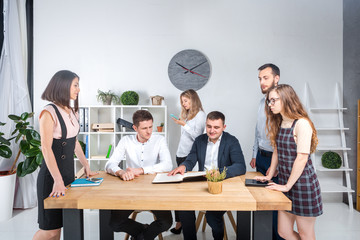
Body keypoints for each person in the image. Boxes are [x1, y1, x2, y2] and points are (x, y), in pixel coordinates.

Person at [33, 70, 97, 240]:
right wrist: (58, 181)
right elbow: (46, 148)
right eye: (75, 85)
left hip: (68, 176)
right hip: (52, 179)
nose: (78, 89)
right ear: (63, 85)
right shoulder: (48, 112)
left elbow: (74, 142)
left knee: (60, 228)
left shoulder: (71, 111)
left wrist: (86, 166)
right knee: (50, 230)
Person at [256, 84, 323, 240]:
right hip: (286, 184)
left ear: (286, 99)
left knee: (306, 234)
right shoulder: (281, 122)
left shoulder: (302, 124)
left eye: (273, 100)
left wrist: (286, 185)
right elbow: (277, 151)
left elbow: (302, 158)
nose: (270, 105)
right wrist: (269, 176)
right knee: (283, 232)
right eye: (269, 101)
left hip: (303, 186)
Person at [168, 111, 246, 240]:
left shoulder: (231, 141)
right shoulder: (200, 140)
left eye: (216, 127)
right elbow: (191, 158)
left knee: (212, 216)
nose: (212, 130)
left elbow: (240, 166)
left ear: (223, 127)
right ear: (206, 125)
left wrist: (220, 173)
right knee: (184, 207)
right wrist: (184, 165)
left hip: (221, 186)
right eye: (209, 126)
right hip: (202, 184)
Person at [105, 110, 173, 240]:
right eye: (144, 128)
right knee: (114, 223)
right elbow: (110, 164)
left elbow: (168, 165)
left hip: (154, 190)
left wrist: (141, 170)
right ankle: (144, 233)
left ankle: (141, 237)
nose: (149, 131)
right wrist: (121, 172)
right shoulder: (126, 140)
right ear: (135, 128)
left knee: (167, 222)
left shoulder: (159, 140)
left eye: (150, 127)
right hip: (131, 191)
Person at [250, 63, 283, 240]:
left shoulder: (282, 103)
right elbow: (257, 129)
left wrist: (276, 164)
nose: (262, 82)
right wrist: (254, 154)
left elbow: (282, 136)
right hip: (262, 158)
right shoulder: (261, 102)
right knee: (262, 202)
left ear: (276, 78)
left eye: (266, 78)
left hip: (275, 161)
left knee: (277, 206)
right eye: (260, 79)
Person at [169, 89, 206, 235]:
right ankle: (179, 223)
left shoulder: (201, 115)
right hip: (181, 154)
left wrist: (184, 125)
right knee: (178, 190)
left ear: (193, 100)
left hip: (190, 157)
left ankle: (186, 225)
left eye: (186, 101)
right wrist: (184, 123)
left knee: (186, 192)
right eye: (182, 101)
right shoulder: (188, 115)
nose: (183, 104)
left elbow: (198, 136)